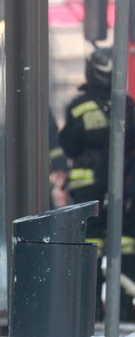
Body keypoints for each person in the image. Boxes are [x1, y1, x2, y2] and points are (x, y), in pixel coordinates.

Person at [58, 46, 135, 322]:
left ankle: (89, 311)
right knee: (124, 248)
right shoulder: (126, 105)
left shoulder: (79, 107)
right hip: (123, 192)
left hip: (87, 193)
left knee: (89, 252)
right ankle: (125, 311)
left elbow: (69, 145)